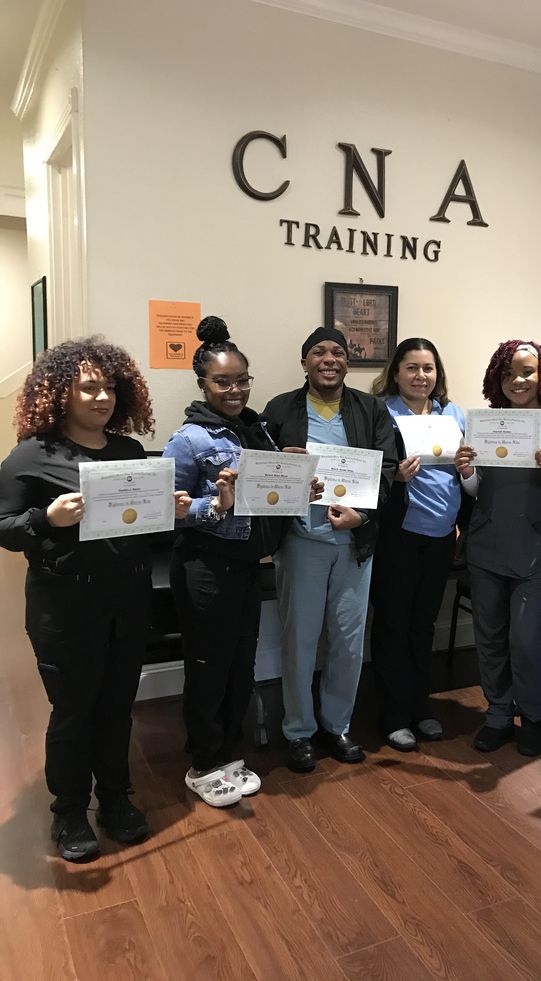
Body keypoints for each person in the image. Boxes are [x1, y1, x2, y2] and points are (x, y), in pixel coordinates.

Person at [0, 339, 186, 861]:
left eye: (110, 387)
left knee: (116, 706)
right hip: (64, 607)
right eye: (89, 387)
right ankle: (68, 811)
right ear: (61, 393)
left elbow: (145, 536)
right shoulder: (31, 454)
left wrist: (168, 511)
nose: (102, 396)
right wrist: (46, 520)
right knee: (73, 710)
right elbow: (4, 526)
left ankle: (115, 798)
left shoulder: (129, 452)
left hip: (128, 600)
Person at [163, 316, 317, 806]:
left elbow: (268, 499)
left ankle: (230, 750)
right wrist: (215, 504)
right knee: (208, 667)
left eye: (242, 380)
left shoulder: (258, 432)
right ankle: (203, 763)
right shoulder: (189, 440)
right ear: (203, 384)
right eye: (222, 382)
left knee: (239, 664)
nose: (235, 390)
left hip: (249, 567)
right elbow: (167, 512)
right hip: (206, 570)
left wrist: (300, 484)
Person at [262, 326, 397, 772]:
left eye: (338, 351)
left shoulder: (370, 408)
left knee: (348, 641)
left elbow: (388, 469)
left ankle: (337, 725)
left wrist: (365, 517)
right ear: (304, 362)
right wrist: (286, 464)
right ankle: (298, 731)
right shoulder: (280, 409)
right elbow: (264, 474)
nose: (329, 358)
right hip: (302, 542)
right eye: (318, 351)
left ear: (347, 362)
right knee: (299, 640)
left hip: (355, 542)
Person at [455, 340, 541, 757]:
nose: (518, 380)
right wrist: (467, 472)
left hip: (535, 551)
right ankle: (497, 713)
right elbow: (477, 489)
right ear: (498, 378)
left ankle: (531, 717)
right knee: (490, 636)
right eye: (508, 373)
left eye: (527, 371)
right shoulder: (485, 423)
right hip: (486, 545)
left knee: (527, 640)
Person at [369, 338, 465, 751]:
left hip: (443, 535)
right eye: (411, 367)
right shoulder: (379, 412)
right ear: (395, 372)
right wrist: (396, 478)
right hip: (399, 533)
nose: (420, 376)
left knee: (423, 625)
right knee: (393, 624)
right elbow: (366, 471)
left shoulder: (453, 413)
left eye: (428, 368)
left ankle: (421, 708)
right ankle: (393, 715)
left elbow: (467, 474)